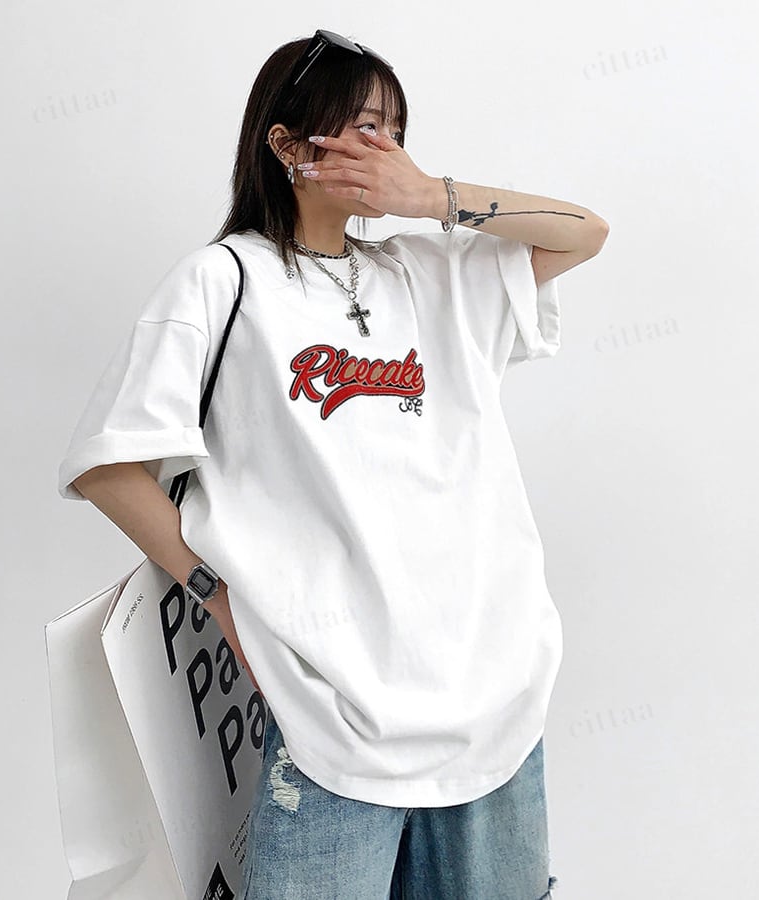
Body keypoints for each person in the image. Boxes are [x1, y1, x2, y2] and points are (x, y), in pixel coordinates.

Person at [57, 28, 608, 900]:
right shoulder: (224, 282)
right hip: (330, 713)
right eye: (362, 127)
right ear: (287, 146)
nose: (385, 149)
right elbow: (108, 467)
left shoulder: (431, 274)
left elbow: (586, 233)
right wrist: (219, 598)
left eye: (396, 130)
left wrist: (433, 198)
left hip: (492, 694)